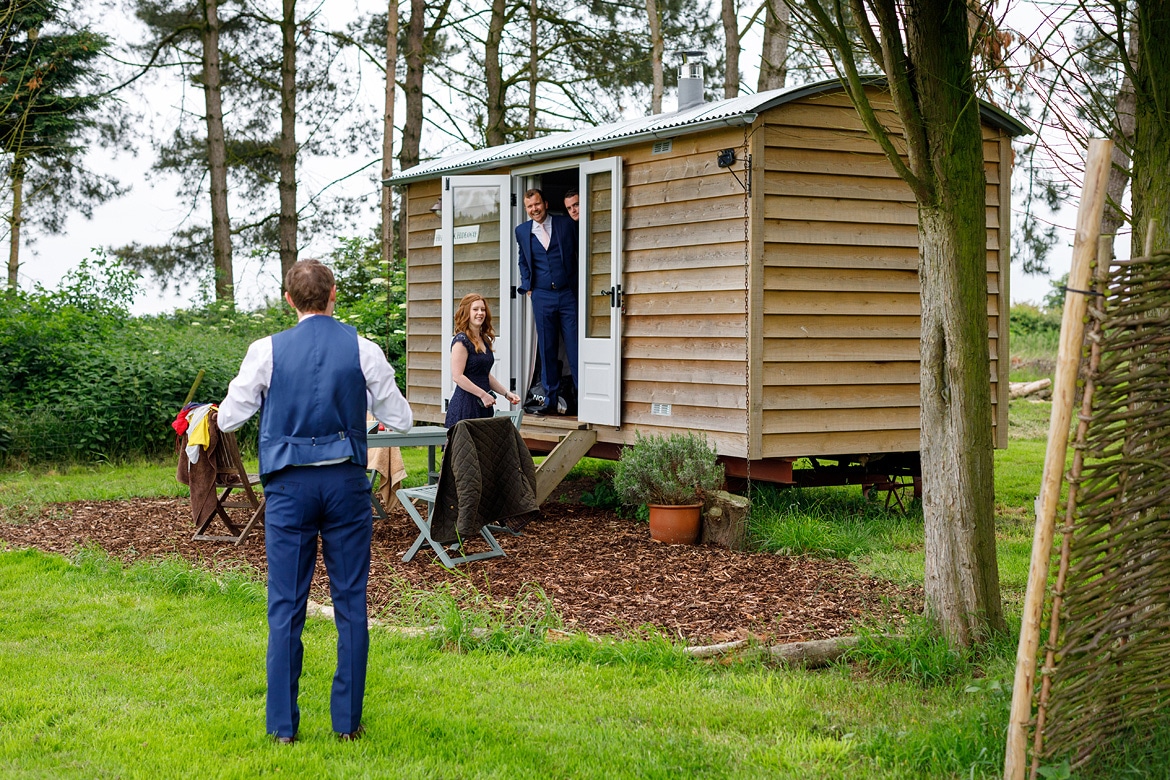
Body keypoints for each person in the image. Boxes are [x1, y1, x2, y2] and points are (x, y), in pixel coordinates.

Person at [218, 259, 413, 745]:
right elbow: (402, 418)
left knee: (285, 605)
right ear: (333, 296)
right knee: (351, 603)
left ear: (289, 301)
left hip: (288, 489)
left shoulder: (266, 350)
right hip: (346, 485)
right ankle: (347, 724)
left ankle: (284, 728)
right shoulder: (362, 348)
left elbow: (227, 419)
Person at [515, 188, 579, 415]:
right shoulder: (522, 231)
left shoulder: (565, 224)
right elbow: (523, 260)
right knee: (547, 348)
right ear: (526, 209)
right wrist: (528, 286)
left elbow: (578, 254)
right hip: (542, 296)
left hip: (568, 294)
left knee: (575, 346)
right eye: (530, 206)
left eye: (537, 204)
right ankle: (550, 401)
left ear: (545, 203)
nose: (535, 209)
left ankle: (583, 399)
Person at [445, 292, 521, 428]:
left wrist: (506, 393)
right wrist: (483, 395)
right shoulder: (461, 340)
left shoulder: (484, 340)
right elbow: (457, 376)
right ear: (466, 312)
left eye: (483, 309)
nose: (480, 313)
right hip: (465, 406)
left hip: (484, 405)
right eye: (475, 309)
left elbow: (485, 374)